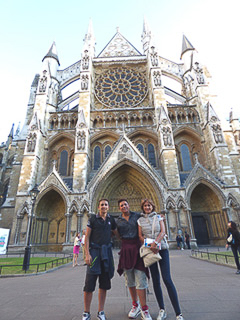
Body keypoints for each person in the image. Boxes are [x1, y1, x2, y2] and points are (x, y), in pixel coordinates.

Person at [138, 199, 184, 320]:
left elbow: (163, 231)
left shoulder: (159, 217)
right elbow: (140, 236)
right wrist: (150, 245)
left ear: (152, 206)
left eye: (149, 205)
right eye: (145, 206)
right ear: (143, 208)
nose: (147, 207)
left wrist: (156, 243)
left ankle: (178, 313)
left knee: (167, 279)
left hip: (162, 249)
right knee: (156, 281)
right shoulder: (140, 220)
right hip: (150, 251)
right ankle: (162, 309)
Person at [116, 199, 152, 320]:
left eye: (125, 204)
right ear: (119, 208)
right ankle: (135, 305)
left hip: (138, 249)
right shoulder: (118, 221)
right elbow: (114, 232)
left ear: (129, 205)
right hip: (126, 249)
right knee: (130, 280)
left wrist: (159, 216)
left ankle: (145, 309)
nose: (124, 206)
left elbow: (148, 214)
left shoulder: (137, 215)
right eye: (121, 205)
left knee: (141, 279)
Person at [82, 199, 117, 320]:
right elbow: (87, 237)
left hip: (106, 254)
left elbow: (115, 232)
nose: (104, 206)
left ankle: (100, 311)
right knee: (89, 285)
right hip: (95, 253)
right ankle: (86, 312)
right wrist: (87, 254)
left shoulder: (110, 220)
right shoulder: (92, 219)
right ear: (98, 207)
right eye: (102, 205)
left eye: (106, 204)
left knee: (104, 284)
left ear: (108, 207)